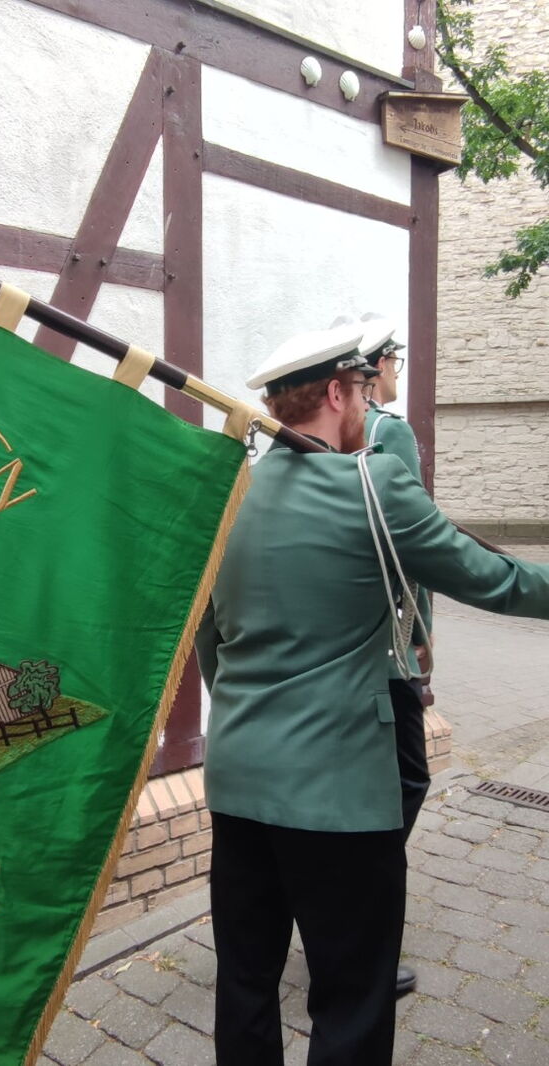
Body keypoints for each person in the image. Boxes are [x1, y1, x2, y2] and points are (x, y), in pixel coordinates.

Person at [196, 321, 549, 1066]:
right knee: (352, 996)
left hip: (238, 776)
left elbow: (209, 640)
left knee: (246, 981)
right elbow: (495, 581)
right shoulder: (373, 482)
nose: (368, 405)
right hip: (339, 792)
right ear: (334, 393)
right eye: (363, 390)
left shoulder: (226, 493)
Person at [360, 312, 432, 997]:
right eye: (395, 363)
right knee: (408, 782)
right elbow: (412, 542)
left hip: (339, 649)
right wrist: (419, 638)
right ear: (378, 366)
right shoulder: (390, 432)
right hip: (387, 647)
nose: (397, 374)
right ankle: (356, 907)